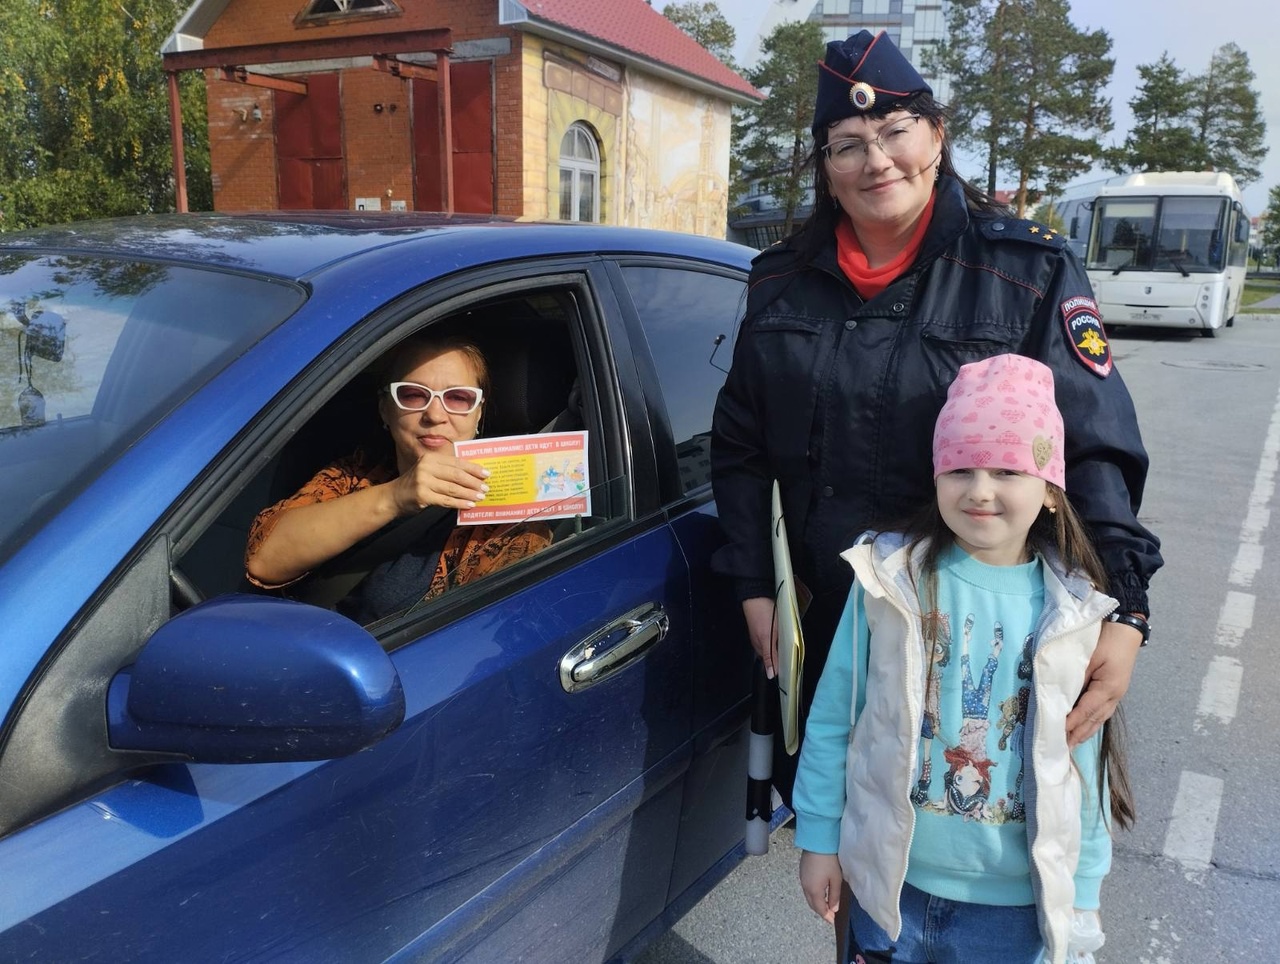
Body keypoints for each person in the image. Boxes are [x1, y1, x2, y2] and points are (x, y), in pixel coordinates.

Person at [709, 30, 1160, 808]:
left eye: (894, 131)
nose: (876, 160)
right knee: (843, 828)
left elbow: (1090, 452)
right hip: (829, 624)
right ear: (824, 164)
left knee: (962, 833)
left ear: (937, 135)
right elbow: (743, 447)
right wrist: (753, 583)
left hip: (978, 633)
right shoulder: (779, 283)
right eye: (847, 144)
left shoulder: (1027, 271)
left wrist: (1125, 609)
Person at [794, 354, 1134, 964]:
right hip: (889, 892)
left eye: (1008, 468)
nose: (980, 490)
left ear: (1051, 492)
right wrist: (819, 839)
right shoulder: (887, 581)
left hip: (1012, 917)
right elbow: (834, 717)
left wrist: (1082, 894)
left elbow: (1084, 765)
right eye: (960, 468)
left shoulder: (1076, 614)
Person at [245, 332, 551, 621]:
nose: (435, 415)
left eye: (458, 398)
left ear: (478, 413)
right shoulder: (357, 472)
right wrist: (395, 496)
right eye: (413, 395)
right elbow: (264, 560)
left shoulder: (508, 513)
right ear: (385, 409)